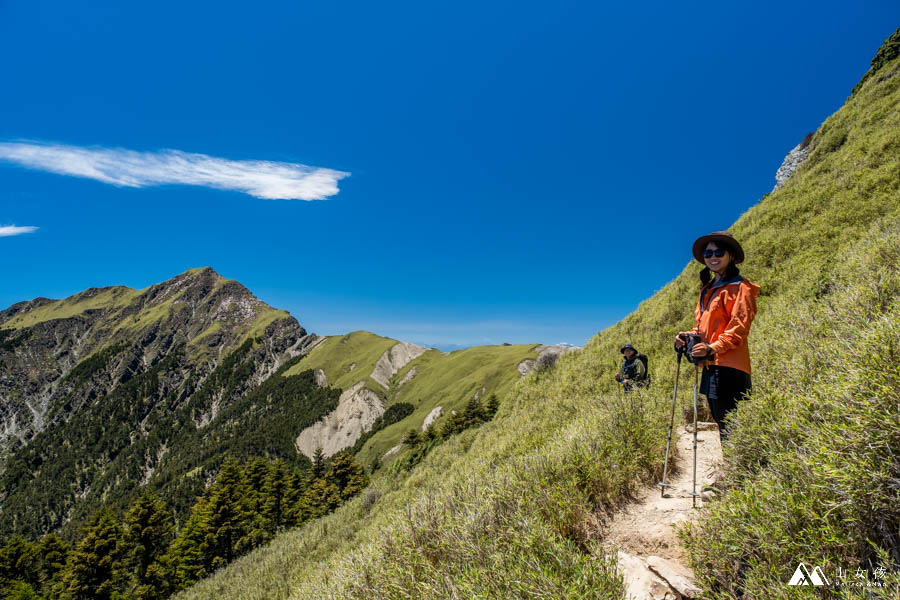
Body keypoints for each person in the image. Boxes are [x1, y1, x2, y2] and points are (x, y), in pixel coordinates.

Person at [674, 231, 759, 441]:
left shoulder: (741, 287)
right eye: (708, 252)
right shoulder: (708, 289)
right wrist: (688, 336)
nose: (713, 256)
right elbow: (702, 326)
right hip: (713, 365)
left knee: (732, 424)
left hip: (730, 367)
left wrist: (712, 348)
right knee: (722, 422)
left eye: (719, 252)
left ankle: (739, 470)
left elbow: (739, 327)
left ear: (730, 255)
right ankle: (733, 468)